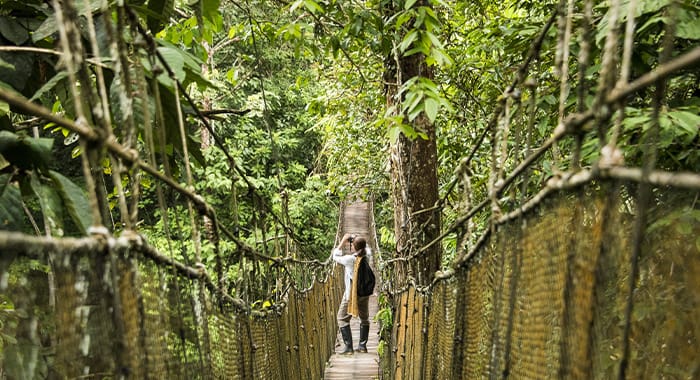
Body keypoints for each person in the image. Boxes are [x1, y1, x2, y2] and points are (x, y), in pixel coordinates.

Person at [332, 233, 372, 355]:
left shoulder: (349, 259)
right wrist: (357, 239)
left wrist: (343, 241)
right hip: (364, 293)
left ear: (354, 248)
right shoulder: (367, 256)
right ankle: (362, 346)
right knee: (364, 318)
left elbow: (335, 256)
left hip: (351, 295)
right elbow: (367, 248)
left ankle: (349, 348)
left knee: (341, 318)